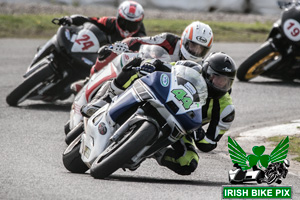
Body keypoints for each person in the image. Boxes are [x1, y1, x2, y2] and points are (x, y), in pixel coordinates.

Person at [81, 20, 214, 114]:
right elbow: (139, 40)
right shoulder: (169, 40)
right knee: (133, 63)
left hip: (170, 96)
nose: (195, 52)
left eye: (201, 49)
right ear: (184, 40)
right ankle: (104, 99)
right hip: (150, 73)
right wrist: (116, 47)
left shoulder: (200, 67)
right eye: (192, 45)